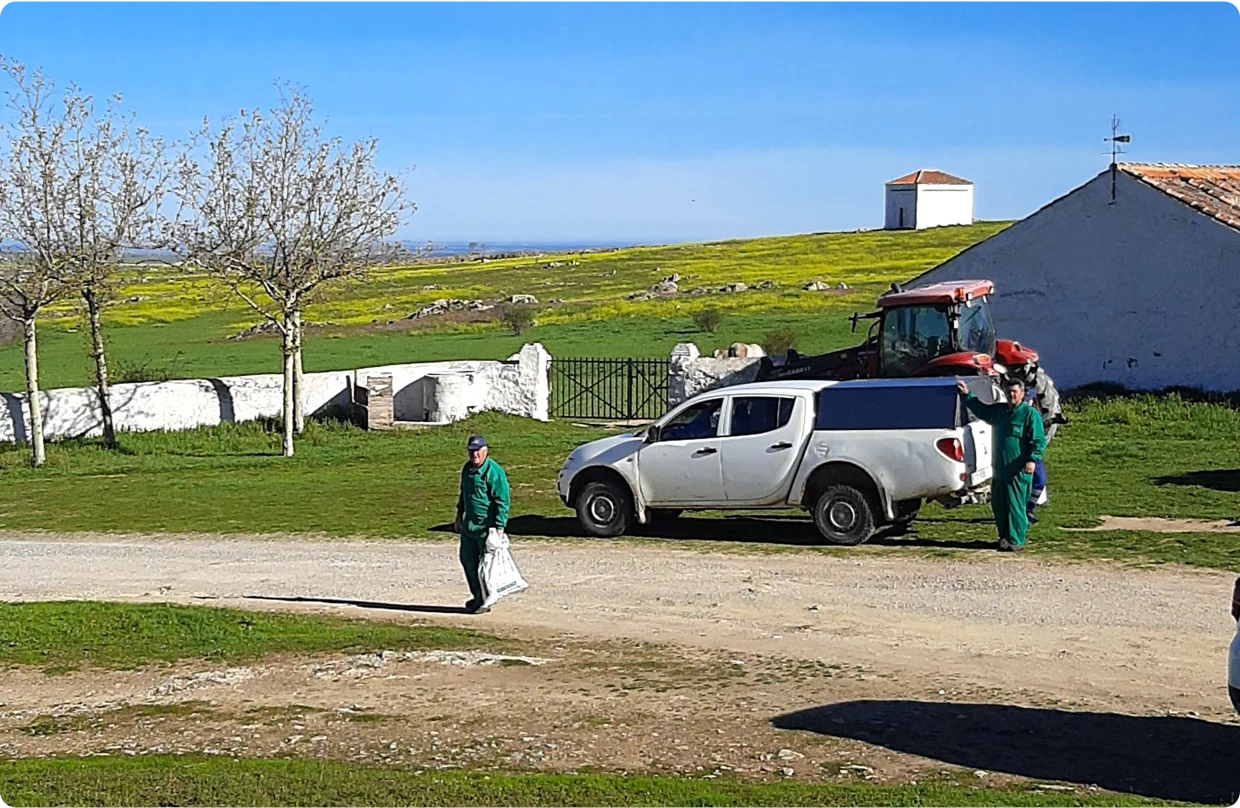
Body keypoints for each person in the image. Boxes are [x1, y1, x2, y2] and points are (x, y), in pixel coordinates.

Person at [956, 378, 1046, 552]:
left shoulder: (1029, 415)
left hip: (1018, 468)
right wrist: (967, 395)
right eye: (1009, 392)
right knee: (999, 504)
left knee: (1015, 504)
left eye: (1015, 392)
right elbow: (981, 409)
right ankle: (1003, 537)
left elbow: (1037, 440)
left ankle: (1016, 539)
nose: (1011, 395)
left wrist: (1032, 460)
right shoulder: (999, 411)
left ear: (1021, 393)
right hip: (1000, 468)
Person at [455, 434, 511, 614]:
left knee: (485, 568)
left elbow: (502, 501)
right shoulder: (467, 469)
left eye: (478, 451)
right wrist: (459, 514)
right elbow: (464, 493)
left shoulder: (494, 472)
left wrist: (499, 528)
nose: (474, 455)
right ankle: (477, 596)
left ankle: (484, 600)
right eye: (471, 451)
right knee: (468, 561)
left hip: (487, 528)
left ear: (485, 451)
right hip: (469, 526)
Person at [1020, 364, 1065, 524]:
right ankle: (1024, 510)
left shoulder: (1032, 410)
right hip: (1022, 450)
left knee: (1038, 480)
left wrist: (1052, 419)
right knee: (1033, 480)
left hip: (1032, 450)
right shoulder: (1020, 410)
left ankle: (1027, 510)